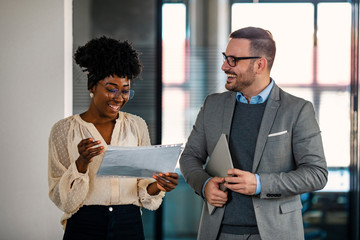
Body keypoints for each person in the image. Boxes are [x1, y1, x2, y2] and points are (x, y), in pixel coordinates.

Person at [179, 27, 328, 240]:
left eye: (233, 60)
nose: (224, 66)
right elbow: (190, 157)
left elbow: (317, 174)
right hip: (218, 233)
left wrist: (259, 184)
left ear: (259, 65)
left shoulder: (297, 110)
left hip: (275, 233)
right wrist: (203, 185)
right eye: (225, 58)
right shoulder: (212, 105)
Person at [48, 36, 178, 240]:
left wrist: (159, 185)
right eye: (111, 89)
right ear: (92, 86)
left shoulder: (137, 125)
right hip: (84, 224)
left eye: (125, 91)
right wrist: (82, 163)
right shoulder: (64, 130)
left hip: (129, 222)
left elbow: (144, 189)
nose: (119, 98)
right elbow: (63, 199)